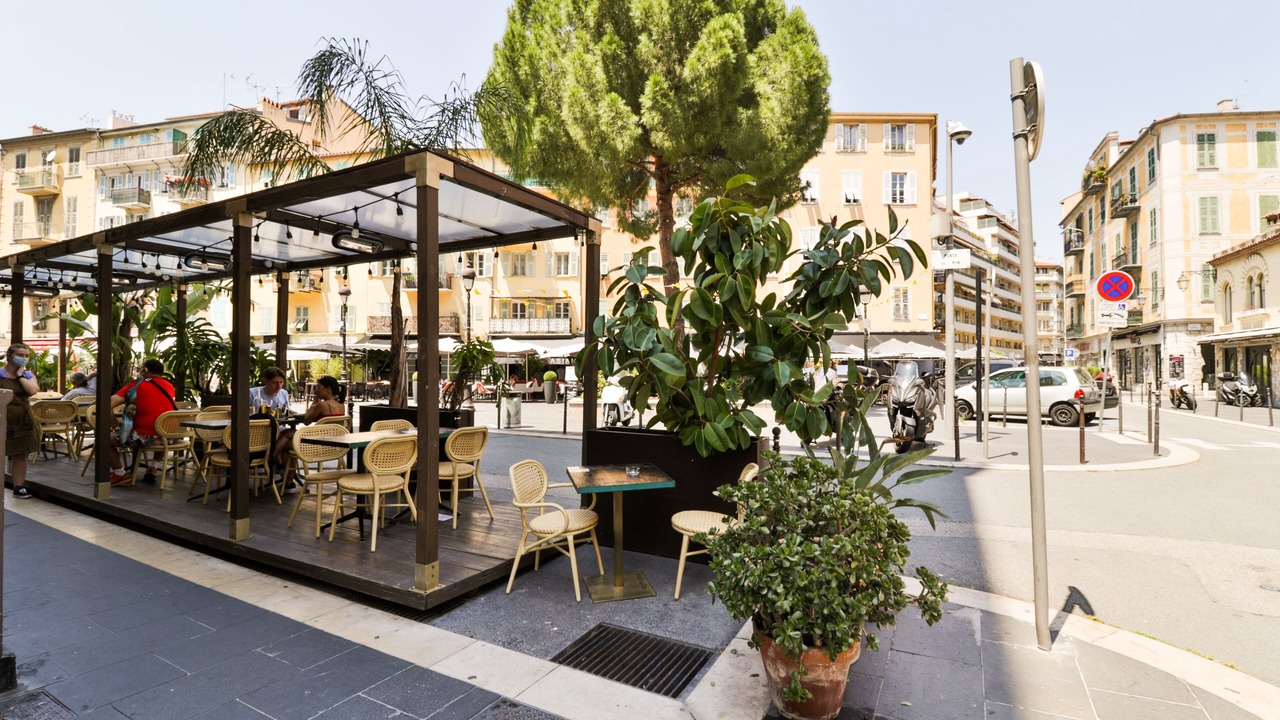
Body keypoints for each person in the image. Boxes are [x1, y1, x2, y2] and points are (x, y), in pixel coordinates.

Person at [109, 359, 178, 486]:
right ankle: (153, 466)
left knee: (105, 439)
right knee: (162, 430)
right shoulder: (169, 386)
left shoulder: (137, 385)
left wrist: (115, 425)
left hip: (143, 438)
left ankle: (120, 474)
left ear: (145, 370)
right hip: (168, 436)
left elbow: (107, 404)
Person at [279, 375, 346, 489]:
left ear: (328, 389)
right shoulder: (341, 405)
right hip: (334, 445)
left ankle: (287, 479)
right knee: (289, 433)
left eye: (318, 388)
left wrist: (315, 402)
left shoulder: (322, 405)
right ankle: (285, 476)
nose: (316, 391)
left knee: (286, 445)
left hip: (317, 445)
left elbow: (306, 421)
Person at [2, 344, 41, 499]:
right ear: (10, 356)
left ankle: (19, 486)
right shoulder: (0, 374)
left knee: (20, 453)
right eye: (20, 355)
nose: (23, 358)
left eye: (26, 356)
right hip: (4, 418)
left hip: (23, 419)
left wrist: (20, 376)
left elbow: (32, 391)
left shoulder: (28, 375)